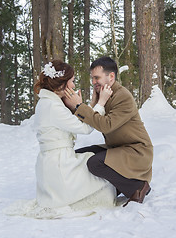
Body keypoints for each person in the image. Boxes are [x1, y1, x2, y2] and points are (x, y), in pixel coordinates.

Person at [64, 56, 153, 207]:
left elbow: (106, 125)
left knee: (95, 163)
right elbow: (92, 118)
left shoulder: (122, 96)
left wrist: (80, 107)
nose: (93, 82)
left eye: (97, 78)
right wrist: (93, 103)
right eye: (92, 78)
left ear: (111, 76)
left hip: (137, 151)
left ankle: (137, 187)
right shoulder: (104, 95)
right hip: (118, 148)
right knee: (80, 155)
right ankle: (106, 187)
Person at [33, 60, 116, 211]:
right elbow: (85, 128)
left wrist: (85, 105)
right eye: (71, 81)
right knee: (104, 182)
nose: (72, 86)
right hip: (60, 165)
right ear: (60, 84)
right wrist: (101, 102)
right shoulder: (52, 106)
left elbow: (70, 122)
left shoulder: (48, 102)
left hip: (52, 162)